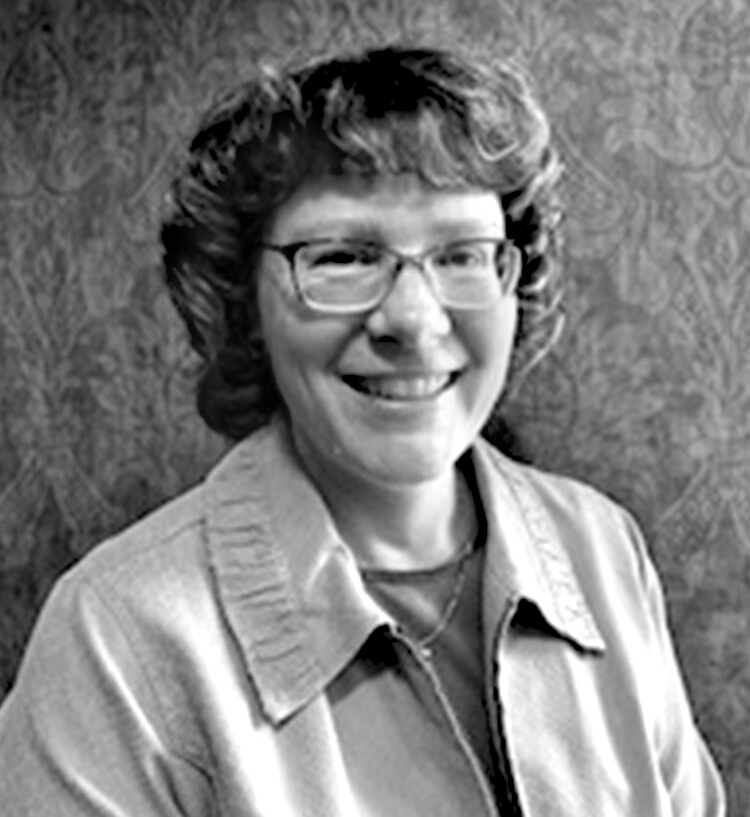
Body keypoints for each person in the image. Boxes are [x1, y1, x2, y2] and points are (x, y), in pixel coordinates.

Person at [0, 46, 725, 816]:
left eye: (461, 254)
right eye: (343, 256)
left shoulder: (603, 546)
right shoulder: (114, 639)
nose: (413, 321)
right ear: (243, 302)